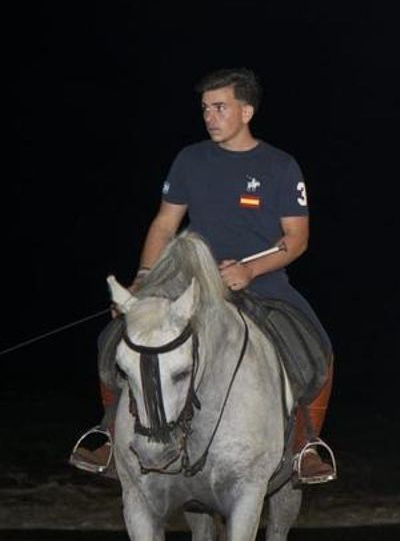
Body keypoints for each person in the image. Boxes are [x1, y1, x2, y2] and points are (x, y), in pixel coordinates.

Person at [70, 68, 337, 483]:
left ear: (246, 111)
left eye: (220, 107)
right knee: (115, 337)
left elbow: (296, 239)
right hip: (187, 282)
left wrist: (249, 269)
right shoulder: (190, 159)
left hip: (260, 283)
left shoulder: (280, 166)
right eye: (205, 109)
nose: (210, 117)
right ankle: (109, 430)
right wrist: (143, 278)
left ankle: (305, 442)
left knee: (313, 343)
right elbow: (164, 225)